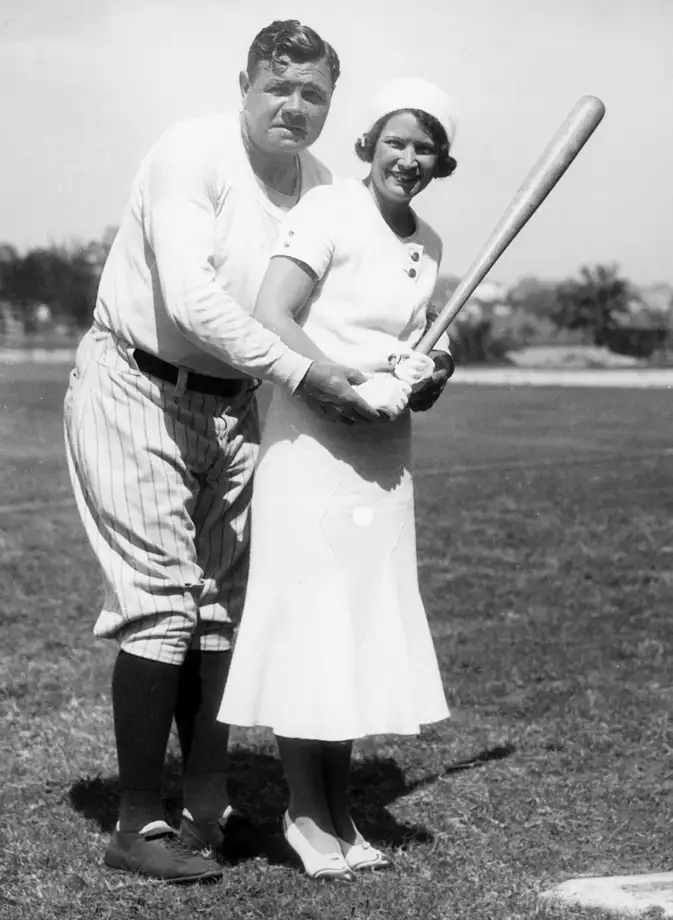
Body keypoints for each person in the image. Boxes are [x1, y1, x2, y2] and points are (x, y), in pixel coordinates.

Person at [63, 19, 381, 884]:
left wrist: (395, 366)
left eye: (312, 92)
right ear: (243, 83)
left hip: (237, 405)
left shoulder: (323, 187)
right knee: (164, 601)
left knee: (221, 610)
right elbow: (195, 301)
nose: (294, 105)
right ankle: (137, 821)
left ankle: (206, 810)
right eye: (278, 87)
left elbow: (333, 306)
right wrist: (308, 378)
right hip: (137, 383)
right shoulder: (190, 152)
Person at [217, 77, 457, 881]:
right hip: (312, 442)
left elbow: (421, 343)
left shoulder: (430, 243)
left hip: (383, 457)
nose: (409, 159)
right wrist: (343, 380)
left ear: (440, 160)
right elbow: (270, 313)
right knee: (311, 627)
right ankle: (301, 810)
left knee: (354, 628)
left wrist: (428, 374)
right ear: (368, 145)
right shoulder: (325, 211)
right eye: (396, 141)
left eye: (425, 147)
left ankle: (340, 806)